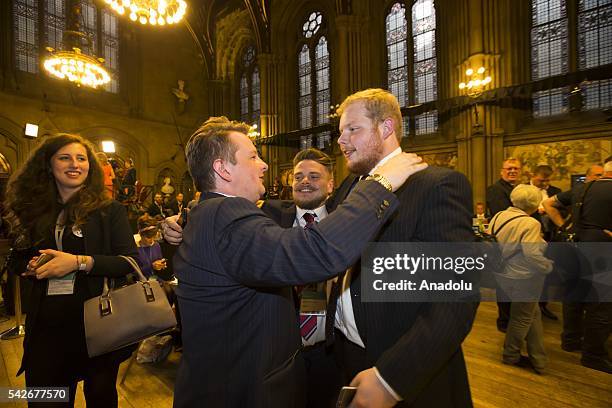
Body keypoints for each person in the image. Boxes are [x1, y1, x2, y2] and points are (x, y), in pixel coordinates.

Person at [170, 116, 426, 407]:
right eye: (253, 156)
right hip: (244, 391)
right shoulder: (225, 213)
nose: (265, 165)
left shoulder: (207, 213)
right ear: (223, 168)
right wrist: (380, 184)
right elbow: (313, 254)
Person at [323, 89, 477, 407]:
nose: (341, 141)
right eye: (340, 132)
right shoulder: (348, 188)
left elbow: (454, 300)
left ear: (386, 128)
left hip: (406, 371)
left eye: (353, 129)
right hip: (346, 357)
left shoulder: (436, 185)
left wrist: (391, 379)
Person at [3, 134, 138, 407]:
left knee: (101, 398)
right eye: (65, 157)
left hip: (98, 324)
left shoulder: (108, 210)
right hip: (46, 327)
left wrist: (78, 262)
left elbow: (128, 261)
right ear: (48, 164)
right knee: (46, 399)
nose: (74, 164)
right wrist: (29, 266)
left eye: (81, 158)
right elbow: (16, 259)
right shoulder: (32, 210)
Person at [261, 148, 341, 408]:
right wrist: (179, 223)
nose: (304, 181)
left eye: (314, 176)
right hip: (279, 352)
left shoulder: (345, 222)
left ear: (331, 184)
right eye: (298, 177)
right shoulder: (269, 216)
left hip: (330, 350)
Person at [487, 184, 553, 374]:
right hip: (524, 276)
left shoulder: (499, 216)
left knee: (531, 314)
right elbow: (532, 254)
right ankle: (511, 355)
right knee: (522, 318)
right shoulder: (531, 223)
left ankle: (539, 359)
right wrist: (548, 266)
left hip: (502, 273)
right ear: (534, 203)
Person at [486, 157, 522, 332]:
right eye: (509, 169)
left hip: (519, 243)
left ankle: (513, 317)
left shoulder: (519, 189)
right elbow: (502, 215)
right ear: (502, 171)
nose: (512, 171)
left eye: (516, 169)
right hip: (503, 243)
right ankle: (505, 321)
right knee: (504, 283)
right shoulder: (495, 189)